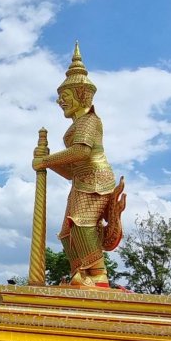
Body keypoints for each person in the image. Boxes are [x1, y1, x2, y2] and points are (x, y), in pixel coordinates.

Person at [32, 43, 126, 288]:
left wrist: (47, 160)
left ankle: (98, 276)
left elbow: (82, 151)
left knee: (83, 224)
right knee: (69, 231)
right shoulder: (77, 124)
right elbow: (71, 170)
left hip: (96, 180)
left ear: (80, 95)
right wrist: (48, 164)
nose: (60, 102)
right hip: (81, 181)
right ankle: (81, 274)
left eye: (65, 97)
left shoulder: (90, 120)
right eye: (60, 98)